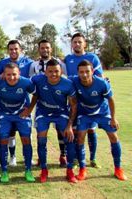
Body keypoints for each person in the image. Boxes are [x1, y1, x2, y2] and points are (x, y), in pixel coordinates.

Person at [71, 60, 125, 181]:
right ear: (78, 73)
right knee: (80, 137)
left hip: (102, 113)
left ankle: (118, 169)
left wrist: (113, 118)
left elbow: (111, 100)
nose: (84, 75)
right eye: (81, 72)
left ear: (93, 71)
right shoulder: (74, 81)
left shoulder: (101, 83)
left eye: (87, 71)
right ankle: (82, 169)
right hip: (84, 113)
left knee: (114, 137)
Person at [28, 60, 77, 183]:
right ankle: (44, 169)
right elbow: (24, 83)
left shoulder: (67, 84)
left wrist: (70, 125)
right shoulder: (38, 79)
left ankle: (70, 170)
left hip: (60, 113)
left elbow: (73, 105)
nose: (53, 74)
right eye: (50, 71)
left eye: (56, 71)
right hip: (43, 112)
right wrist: (29, 109)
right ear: (45, 72)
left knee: (69, 138)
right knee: (41, 138)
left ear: (61, 72)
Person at [64, 33, 105, 168]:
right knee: (76, 130)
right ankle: (76, 158)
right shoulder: (68, 59)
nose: (77, 44)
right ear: (71, 44)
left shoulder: (92, 57)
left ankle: (93, 159)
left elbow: (100, 78)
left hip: (90, 101)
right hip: (75, 101)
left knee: (91, 130)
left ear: (84, 44)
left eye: (79, 42)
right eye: (74, 42)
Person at [0, 63, 36, 183]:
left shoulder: (26, 82)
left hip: (21, 114)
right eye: (8, 75)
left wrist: (30, 109)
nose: (11, 77)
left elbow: (36, 94)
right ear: (4, 74)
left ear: (19, 73)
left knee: (26, 139)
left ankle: (28, 170)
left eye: (14, 74)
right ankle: (4, 171)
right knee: (3, 140)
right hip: (4, 114)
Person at [27, 40, 68, 167]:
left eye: (47, 48)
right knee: (41, 132)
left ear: (51, 49)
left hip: (58, 103)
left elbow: (66, 79)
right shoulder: (34, 65)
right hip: (42, 104)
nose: (45, 50)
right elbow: (31, 83)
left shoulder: (60, 63)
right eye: (42, 48)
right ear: (39, 49)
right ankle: (41, 158)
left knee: (60, 131)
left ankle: (63, 155)